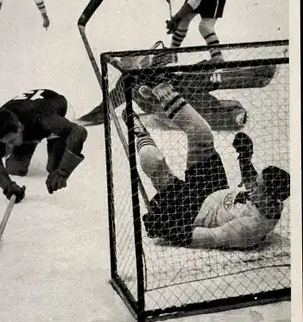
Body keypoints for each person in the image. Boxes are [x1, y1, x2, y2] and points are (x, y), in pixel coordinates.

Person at [122, 82, 290, 249]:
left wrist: (165, 229)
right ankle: (162, 91)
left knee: (153, 160)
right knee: (202, 134)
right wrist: (245, 158)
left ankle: (140, 133)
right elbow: (251, 180)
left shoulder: (249, 229)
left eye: (257, 187)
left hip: (192, 211)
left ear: (268, 196)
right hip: (215, 187)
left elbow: (211, 237)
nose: (252, 187)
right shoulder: (270, 199)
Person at [0, 89, 88, 203]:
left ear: (20, 127)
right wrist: (7, 185)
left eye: (12, 140)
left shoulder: (45, 119)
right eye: (7, 142)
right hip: (31, 121)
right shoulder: (0, 122)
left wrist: (63, 171)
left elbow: (79, 132)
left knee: (54, 170)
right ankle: (32, 140)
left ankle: (49, 142)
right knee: (15, 169)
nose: (10, 146)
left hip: (56, 113)